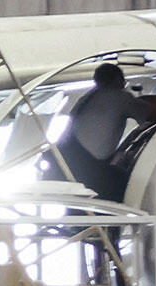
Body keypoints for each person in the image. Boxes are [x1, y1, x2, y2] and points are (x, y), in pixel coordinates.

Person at [57, 63, 144, 200]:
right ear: (118, 80)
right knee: (131, 187)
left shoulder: (86, 99)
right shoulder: (118, 97)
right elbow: (148, 116)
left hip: (63, 161)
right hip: (87, 168)